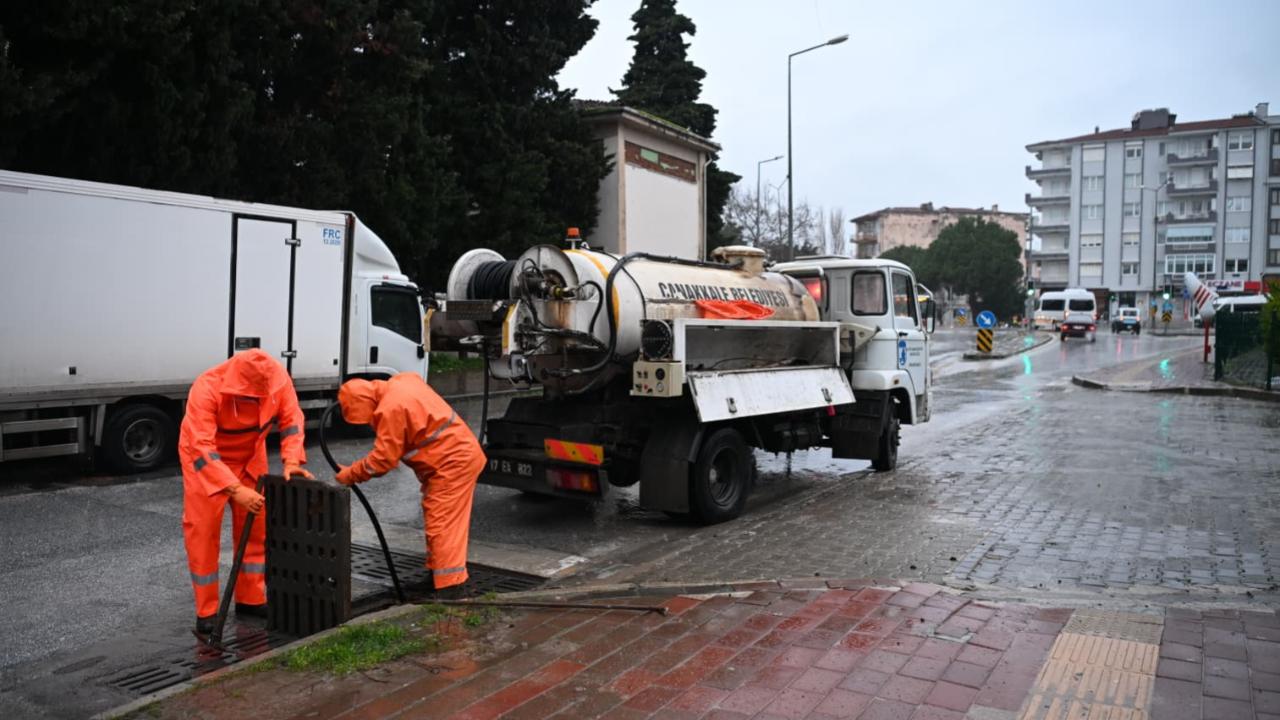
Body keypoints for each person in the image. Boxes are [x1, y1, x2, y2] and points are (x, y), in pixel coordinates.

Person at [178, 348, 312, 634]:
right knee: (203, 532)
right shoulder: (207, 387)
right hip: (206, 462)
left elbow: (292, 421)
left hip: (250, 457)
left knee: (256, 529)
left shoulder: (277, 379)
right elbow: (201, 448)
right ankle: (207, 612)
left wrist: (292, 461)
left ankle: (251, 598)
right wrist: (235, 489)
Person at [334, 373, 485, 592]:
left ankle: (450, 588)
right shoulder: (403, 382)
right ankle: (439, 575)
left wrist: (350, 474)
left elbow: (381, 461)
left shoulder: (391, 408)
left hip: (452, 463)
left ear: (367, 404)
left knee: (442, 524)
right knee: (442, 521)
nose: (369, 423)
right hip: (455, 459)